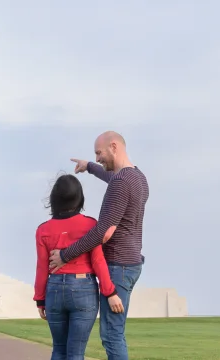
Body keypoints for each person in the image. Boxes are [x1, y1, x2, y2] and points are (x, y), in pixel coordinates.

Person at [48, 131, 149, 360]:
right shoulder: (137, 177)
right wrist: (89, 166)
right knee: (115, 332)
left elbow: (99, 234)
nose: (98, 157)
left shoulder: (121, 183)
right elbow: (111, 179)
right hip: (132, 263)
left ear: (114, 146)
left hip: (117, 265)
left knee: (112, 335)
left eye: (99, 153)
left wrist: (65, 255)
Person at [34, 173, 124, 360]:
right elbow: (98, 261)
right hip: (83, 290)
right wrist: (110, 292)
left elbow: (42, 267)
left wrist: (40, 299)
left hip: (55, 290)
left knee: (58, 349)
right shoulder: (90, 224)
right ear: (79, 198)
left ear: (54, 199)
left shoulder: (43, 229)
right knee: (76, 353)